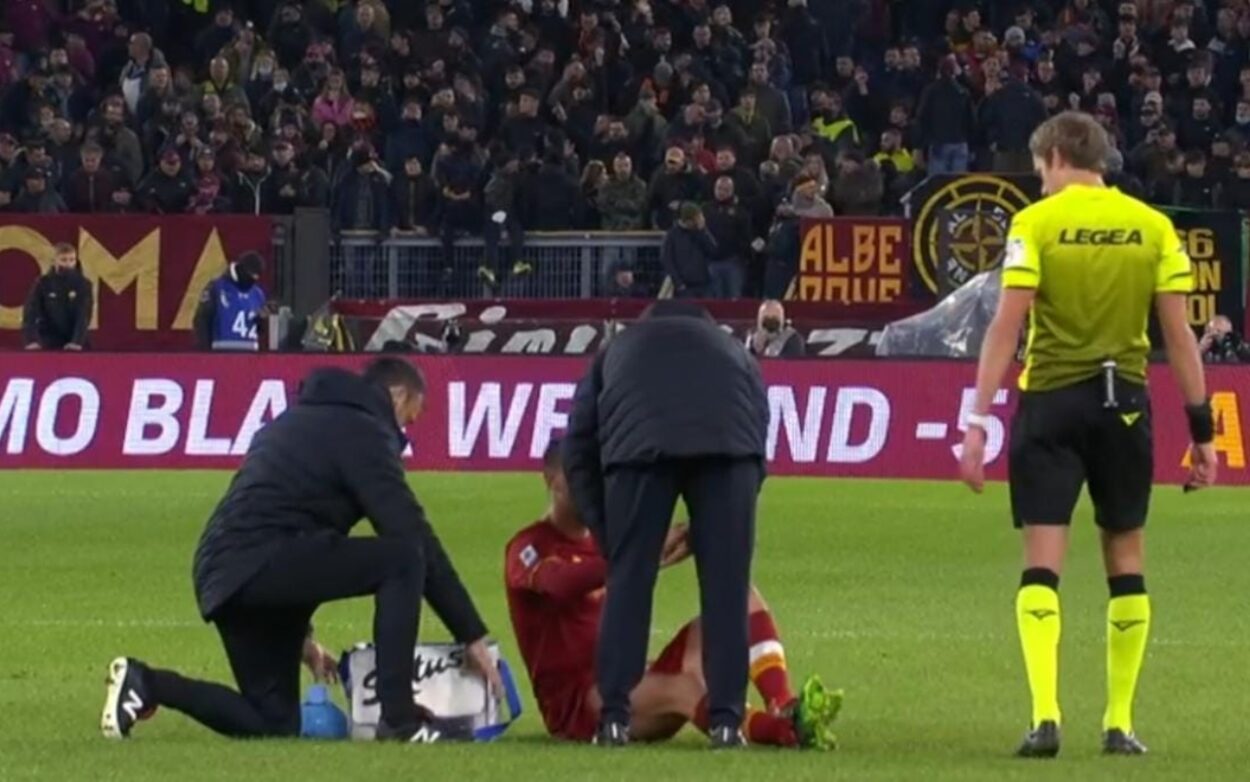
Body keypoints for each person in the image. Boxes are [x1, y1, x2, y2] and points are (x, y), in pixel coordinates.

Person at [958, 112, 1218, 758]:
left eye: (1039, 169)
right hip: (1123, 406)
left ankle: (1045, 716)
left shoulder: (1036, 224)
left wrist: (976, 421)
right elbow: (1179, 339)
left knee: (1041, 563)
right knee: (1125, 560)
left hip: (1051, 404)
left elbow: (1006, 327)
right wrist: (1202, 432)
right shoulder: (1153, 227)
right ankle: (1119, 723)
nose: (1040, 182)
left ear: (1054, 156)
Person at [101, 358, 501, 742]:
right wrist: (471, 635)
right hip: (259, 559)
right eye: (409, 417)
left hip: (223, 572)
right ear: (397, 396)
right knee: (404, 559)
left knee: (272, 721)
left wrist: (302, 638)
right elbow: (412, 534)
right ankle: (399, 720)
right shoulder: (362, 431)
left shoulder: (293, 420)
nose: (406, 431)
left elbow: (289, 512)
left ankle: (147, 683)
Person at [505, 440, 840, 748]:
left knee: (738, 598)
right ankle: (783, 732)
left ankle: (784, 705)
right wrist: (640, 552)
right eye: (578, 477)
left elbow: (630, 562)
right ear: (551, 479)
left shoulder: (605, 541)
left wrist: (693, 537)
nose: (590, 486)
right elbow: (561, 582)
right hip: (582, 704)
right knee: (685, 686)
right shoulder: (528, 547)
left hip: (629, 676)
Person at [563, 300, 777, 748]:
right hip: (729, 452)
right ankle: (726, 722)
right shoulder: (733, 349)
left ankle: (614, 718)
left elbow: (578, 446)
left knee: (629, 582)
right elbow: (758, 433)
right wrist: (714, 530)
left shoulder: (616, 349)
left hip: (639, 452)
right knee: (727, 586)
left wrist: (611, 538)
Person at [22, 242, 92, 351]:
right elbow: (30, 312)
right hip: (48, 340)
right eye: (63, 260)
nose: (68, 264)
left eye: (72, 260)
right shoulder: (42, 283)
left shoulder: (83, 284)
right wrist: (31, 340)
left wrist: (76, 342)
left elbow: (83, 314)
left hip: (77, 341)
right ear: (54, 261)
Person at [192, 252, 268, 352]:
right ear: (241, 270)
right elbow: (201, 320)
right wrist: (205, 352)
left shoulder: (257, 293)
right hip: (221, 352)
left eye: (255, 278)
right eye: (250, 276)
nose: (251, 281)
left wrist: (262, 320)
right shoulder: (217, 287)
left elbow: (260, 330)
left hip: (250, 355)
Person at [660, 202, 717, 298]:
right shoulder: (672, 235)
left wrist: (702, 231)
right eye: (697, 218)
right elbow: (667, 260)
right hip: (685, 286)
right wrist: (679, 283)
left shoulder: (700, 231)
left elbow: (713, 251)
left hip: (704, 284)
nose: (699, 221)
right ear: (688, 220)